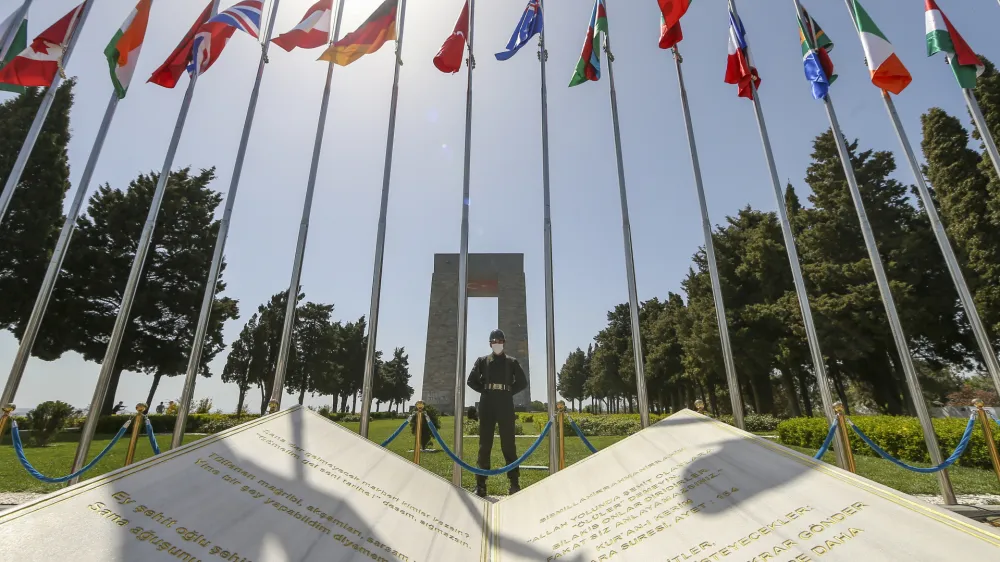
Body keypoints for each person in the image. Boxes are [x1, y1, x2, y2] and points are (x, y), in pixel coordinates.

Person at [466, 329, 528, 497]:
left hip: (505, 403)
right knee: (484, 445)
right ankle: (481, 485)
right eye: (494, 341)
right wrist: (485, 391)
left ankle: (514, 483)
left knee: (508, 444)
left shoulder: (511, 362)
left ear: (504, 342)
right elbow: (471, 381)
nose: (497, 344)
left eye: (500, 341)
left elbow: (522, 382)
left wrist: (508, 392)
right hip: (487, 404)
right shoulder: (482, 361)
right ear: (490, 343)